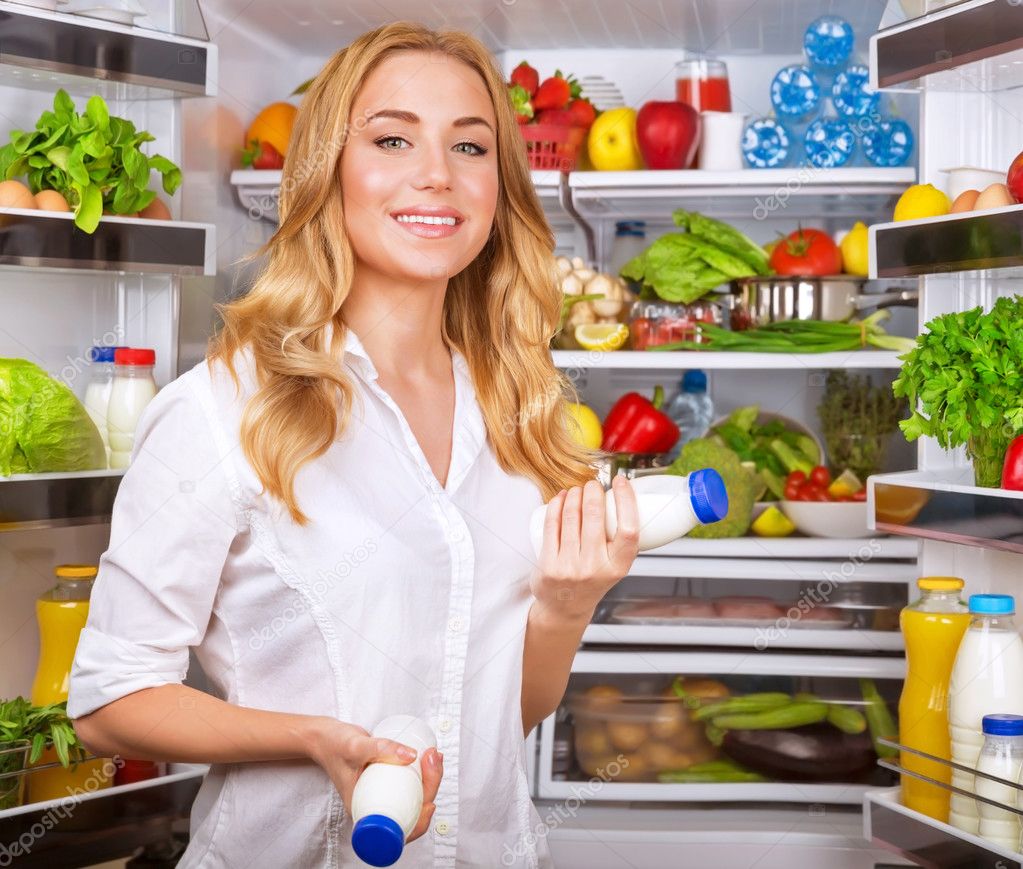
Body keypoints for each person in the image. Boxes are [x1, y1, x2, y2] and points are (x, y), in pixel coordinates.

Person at [67, 20, 640, 869]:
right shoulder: (223, 411)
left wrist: (564, 606)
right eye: (392, 138)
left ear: (499, 186)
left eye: (470, 146)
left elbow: (494, 713)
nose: (436, 175)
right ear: (327, 169)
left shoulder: (519, 413)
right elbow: (108, 701)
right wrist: (313, 739)